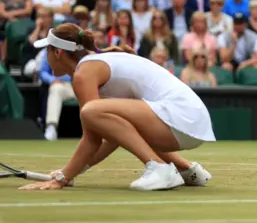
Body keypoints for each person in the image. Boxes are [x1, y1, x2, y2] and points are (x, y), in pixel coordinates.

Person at [19, 23, 215, 191]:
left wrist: (64, 177)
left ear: (58, 52)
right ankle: (186, 169)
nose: (46, 56)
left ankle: (159, 168)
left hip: (179, 118)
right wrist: (70, 172)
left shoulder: (84, 73)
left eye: (47, 50)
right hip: (190, 122)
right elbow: (114, 136)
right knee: (100, 114)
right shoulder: (96, 65)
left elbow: (92, 139)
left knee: (91, 111)